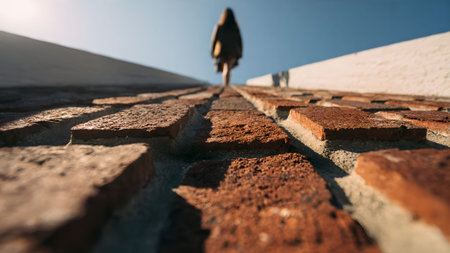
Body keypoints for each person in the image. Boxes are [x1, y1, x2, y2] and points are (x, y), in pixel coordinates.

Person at [211, 8, 242, 86]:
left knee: (226, 66)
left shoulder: (220, 26)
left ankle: (226, 84)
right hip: (233, 51)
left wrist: (213, 51)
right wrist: (240, 52)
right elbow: (240, 41)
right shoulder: (235, 28)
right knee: (227, 66)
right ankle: (226, 83)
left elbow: (214, 40)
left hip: (222, 51)